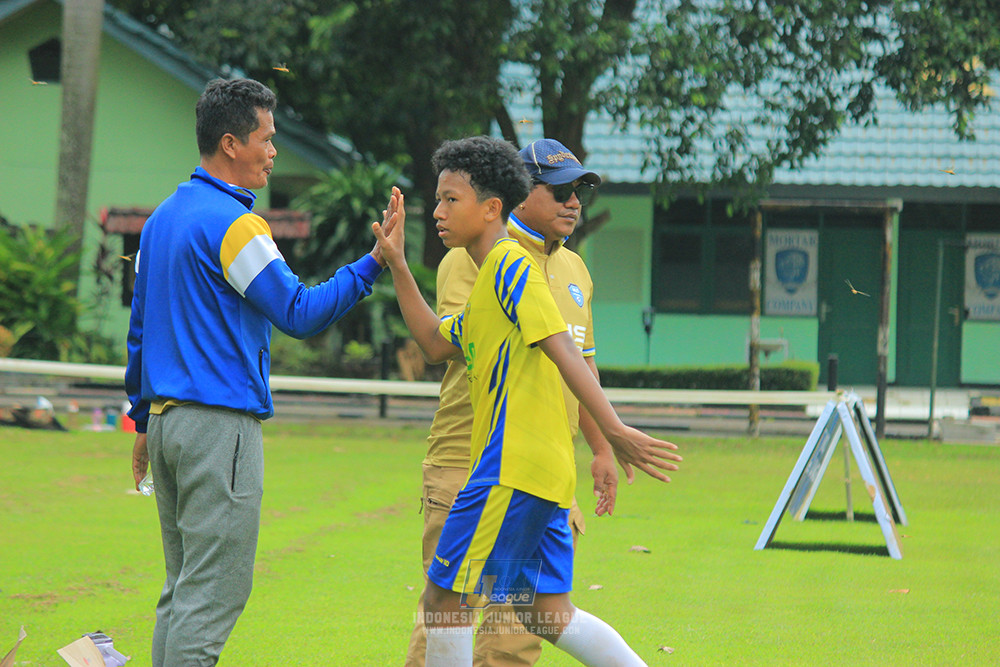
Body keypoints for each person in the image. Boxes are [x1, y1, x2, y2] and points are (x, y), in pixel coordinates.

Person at [373, 135, 681, 666]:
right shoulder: (491, 275)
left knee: (445, 599)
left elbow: (565, 349)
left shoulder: (510, 266)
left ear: (492, 207)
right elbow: (434, 342)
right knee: (544, 613)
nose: (438, 212)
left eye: (451, 200)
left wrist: (614, 432)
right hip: (546, 475)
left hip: (508, 469)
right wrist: (397, 263)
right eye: (438, 198)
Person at [125, 77, 394, 666]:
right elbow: (297, 311)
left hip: (168, 429)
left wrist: (144, 422)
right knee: (215, 592)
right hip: (218, 431)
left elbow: (140, 334)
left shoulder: (161, 220)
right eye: (266, 140)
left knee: (182, 591)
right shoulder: (235, 224)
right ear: (230, 144)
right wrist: (373, 263)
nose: (273, 152)